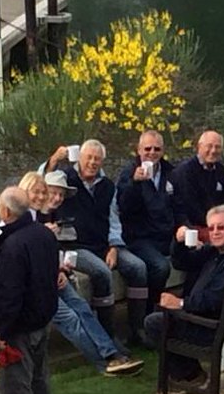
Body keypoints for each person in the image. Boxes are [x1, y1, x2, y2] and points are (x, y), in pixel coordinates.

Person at [20, 171, 143, 375]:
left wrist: (57, 269)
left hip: (51, 276)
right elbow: (22, 257)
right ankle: (105, 364)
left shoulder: (43, 215)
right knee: (70, 318)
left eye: (43, 192)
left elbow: (45, 253)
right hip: (34, 286)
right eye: (37, 192)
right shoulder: (21, 220)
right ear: (24, 191)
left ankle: (111, 352)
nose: (41, 196)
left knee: (82, 307)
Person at [142, 205, 224, 391]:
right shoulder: (217, 251)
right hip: (214, 319)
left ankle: (190, 376)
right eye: (211, 228)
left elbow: (214, 299)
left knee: (155, 322)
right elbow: (181, 263)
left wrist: (180, 303)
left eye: (221, 227)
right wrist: (178, 242)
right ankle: (188, 372)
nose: (215, 232)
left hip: (217, 327)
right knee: (161, 312)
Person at [54, 139, 151, 346]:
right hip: (75, 246)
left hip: (103, 243)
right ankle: (108, 332)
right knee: (102, 272)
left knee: (138, 267)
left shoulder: (107, 186)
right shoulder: (66, 179)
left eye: (97, 159)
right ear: (79, 158)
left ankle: (137, 329)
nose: (92, 162)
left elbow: (113, 219)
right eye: (88, 157)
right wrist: (54, 158)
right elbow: (44, 181)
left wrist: (114, 246)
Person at [0, 186, 59, 394]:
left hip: (19, 325)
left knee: (15, 384)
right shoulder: (44, 234)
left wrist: (2, 332)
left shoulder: (12, 246)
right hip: (42, 317)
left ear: (6, 211)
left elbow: (9, 294)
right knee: (39, 377)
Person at [116, 130, 180, 316]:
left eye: (157, 148)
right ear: (138, 150)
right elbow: (123, 207)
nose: (152, 152)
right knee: (160, 267)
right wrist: (135, 183)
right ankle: (149, 314)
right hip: (139, 237)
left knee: (199, 254)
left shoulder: (170, 172)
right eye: (147, 148)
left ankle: (189, 310)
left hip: (166, 234)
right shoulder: (129, 173)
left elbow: (179, 204)